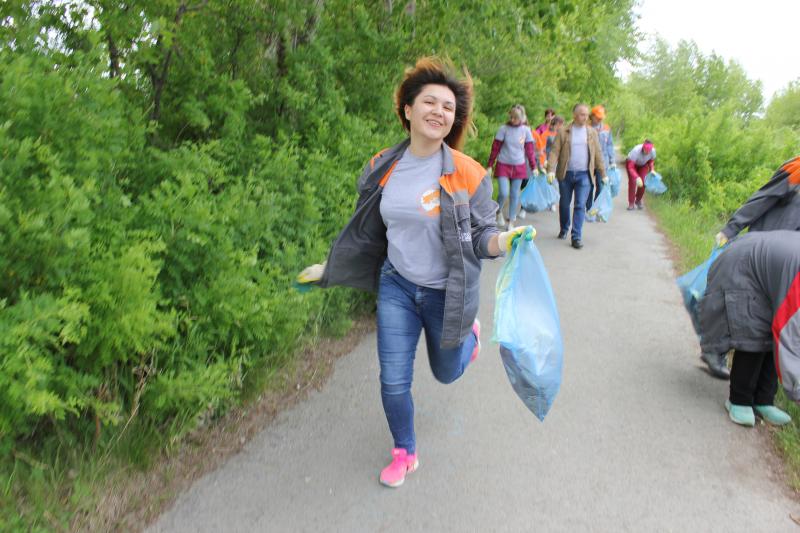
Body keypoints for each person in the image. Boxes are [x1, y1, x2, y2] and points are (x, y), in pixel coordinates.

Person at [295, 57, 534, 488]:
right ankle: (405, 451)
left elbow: (483, 235)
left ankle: (470, 339)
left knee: (446, 373)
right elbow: (366, 233)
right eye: (430, 102)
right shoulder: (380, 166)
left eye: (447, 107)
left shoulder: (466, 172)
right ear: (408, 110)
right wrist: (331, 267)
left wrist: (505, 240)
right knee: (392, 379)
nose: (439, 112)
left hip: (447, 293)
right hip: (397, 287)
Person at [701, 156, 800, 378]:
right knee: (742, 312)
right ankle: (714, 350)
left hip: (786, 264)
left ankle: (758, 390)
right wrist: (731, 229)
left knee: (773, 321)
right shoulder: (796, 170)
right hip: (758, 252)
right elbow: (762, 199)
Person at [697, 230, 800, 427]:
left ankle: (763, 400)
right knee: (753, 333)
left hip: (764, 269)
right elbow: (789, 332)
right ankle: (739, 399)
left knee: (770, 336)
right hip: (742, 267)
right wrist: (796, 389)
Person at [547, 103, 607, 249]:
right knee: (564, 203)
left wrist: (603, 174)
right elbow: (555, 151)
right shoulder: (563, 131)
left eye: (586, 115)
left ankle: (576, 236)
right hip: (566, 174)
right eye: (582, 114)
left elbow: (598, 153)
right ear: (574, 115)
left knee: (580, 205)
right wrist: (550, 169)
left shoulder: (592, 132)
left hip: (584, 175)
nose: (585, 117)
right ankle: (564, 228)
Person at [487, 105, 543, 229]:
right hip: (503, 164)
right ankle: (498, 211)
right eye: (511, 117)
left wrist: (534, 167)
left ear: (522, 118)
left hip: (519, 165)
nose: (513, 120)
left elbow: (530, 150)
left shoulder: (526, 131)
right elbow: (495, 148)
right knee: (503, 192)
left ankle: (512, 220)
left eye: (516, 118)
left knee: (514, 194)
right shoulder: (503, 129)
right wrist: (490, 165)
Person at [586, 105, 615, 220]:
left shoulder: (606, 128)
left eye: (601, 117)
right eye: (597, 117)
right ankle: (588, 207)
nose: (600, 119)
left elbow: (610, 145)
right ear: (592, 116)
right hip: (588, 160)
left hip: (603, 161)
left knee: (600, 184)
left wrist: (612, 160)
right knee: (588, 184)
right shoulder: (586, 127)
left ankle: (596, 208)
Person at [624, 140, 656, 210]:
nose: (647, 152)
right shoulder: (636, 151)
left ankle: (638, 200)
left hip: (643, 165)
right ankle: (631, 203)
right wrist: (636, 177)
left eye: (649, 151)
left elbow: (651, 161)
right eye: (646, 150)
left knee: (643, 182)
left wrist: (652, 169)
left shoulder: (652, 151)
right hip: (632, 165)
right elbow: (630, 167)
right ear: (643, 148)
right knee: (633, 182)